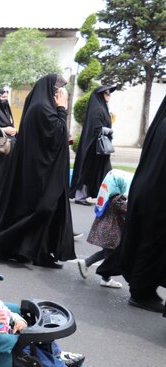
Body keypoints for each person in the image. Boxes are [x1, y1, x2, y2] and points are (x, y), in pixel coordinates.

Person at [0, 74, 75, 269]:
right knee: (42, 209)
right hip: (41, 173)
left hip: (44, 170)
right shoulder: (42, 109)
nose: (59, 95)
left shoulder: (42, 108)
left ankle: (39, 253)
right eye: (56, 91)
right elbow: (58, 135)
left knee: (48, 211)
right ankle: (5, 241)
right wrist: (62, 109)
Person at [118, 95, 166, 314]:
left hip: (148, 189)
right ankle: (141, 292)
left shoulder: (161, 122)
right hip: (157, 194)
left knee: (146, 242)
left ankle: (142, 289)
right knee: (151, 245)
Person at [76, 169, 132, 288]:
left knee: (107, 253)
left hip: (107, 231)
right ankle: (105, 278)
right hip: (111, 232)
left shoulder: (109, 196)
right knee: (112, 256)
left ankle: (86, 263)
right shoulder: (119, 199)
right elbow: (129, 211)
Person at [70, 85, 117, 205]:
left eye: (109, 93)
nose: (109, 96)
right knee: (88, 171)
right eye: (106, 93)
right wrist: (110, 131)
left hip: (98, 148)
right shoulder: (97, 110)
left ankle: (106, 198)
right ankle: (81, 197)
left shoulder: (102, 108)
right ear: (100, 96)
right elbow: (97, 128)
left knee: (99, 172)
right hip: (93, 148)